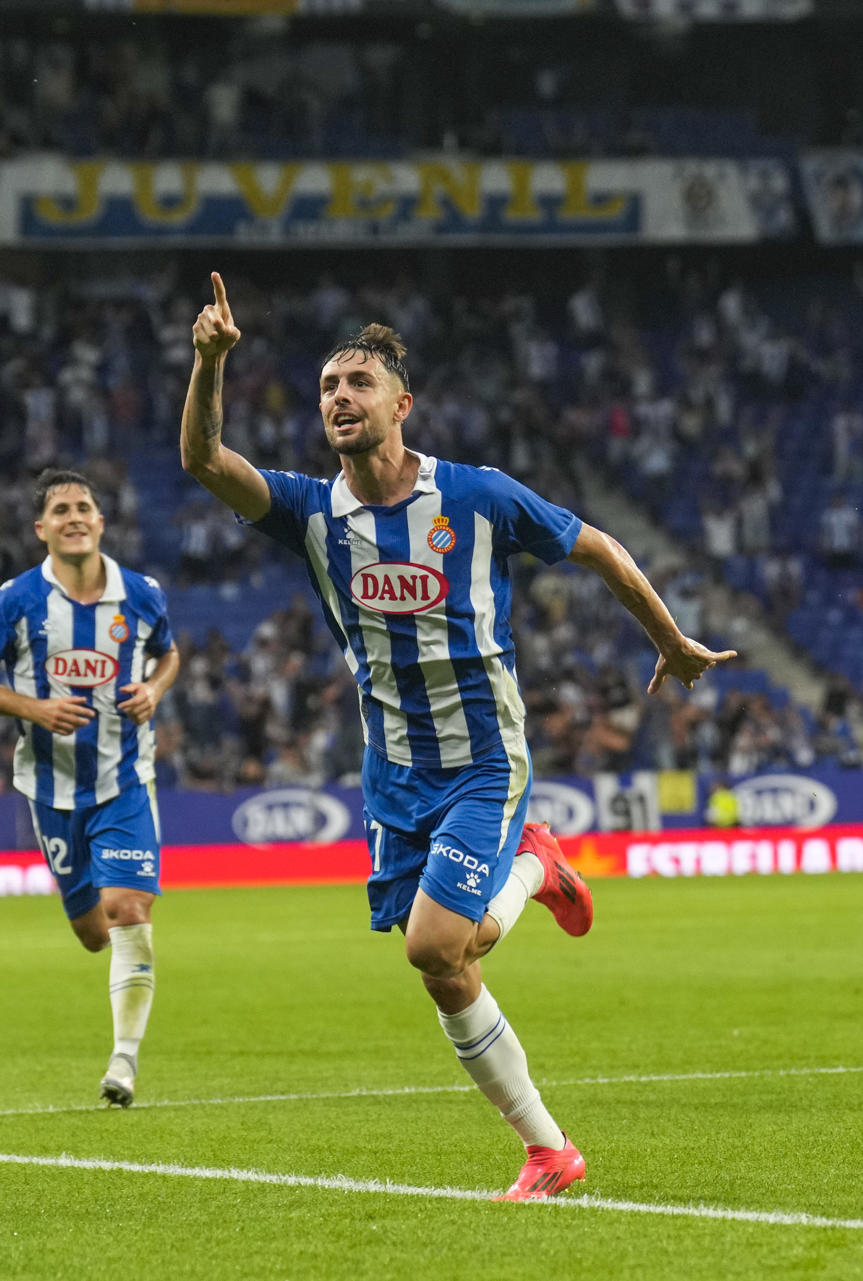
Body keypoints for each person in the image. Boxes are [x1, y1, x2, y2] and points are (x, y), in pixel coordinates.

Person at [178, 273, 735, 1200]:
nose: (339, 398)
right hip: (393, 769)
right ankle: (537, 869)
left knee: (433, 948)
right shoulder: (313, 512)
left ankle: (550, 1151)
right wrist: (209, 362)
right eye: (326, 387)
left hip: (483, 756)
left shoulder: (475, 496)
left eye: (358, 383)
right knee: (454, 953)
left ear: (403, 403)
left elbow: (596, 545)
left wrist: (669, 640)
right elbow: (203, 460)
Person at [0, 468, 181, 1109]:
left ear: (101, 521)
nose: (74, 517)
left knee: (129, 910)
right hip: (51, 791)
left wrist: (154, 690)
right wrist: (35, 709)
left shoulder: (141, 594)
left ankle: (124, 1062)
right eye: (61, 510)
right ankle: (123, 968)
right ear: (42, 529)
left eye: (84, 507)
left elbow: (169, 654)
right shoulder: (16, 601)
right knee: (92, 931)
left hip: (126, 779)